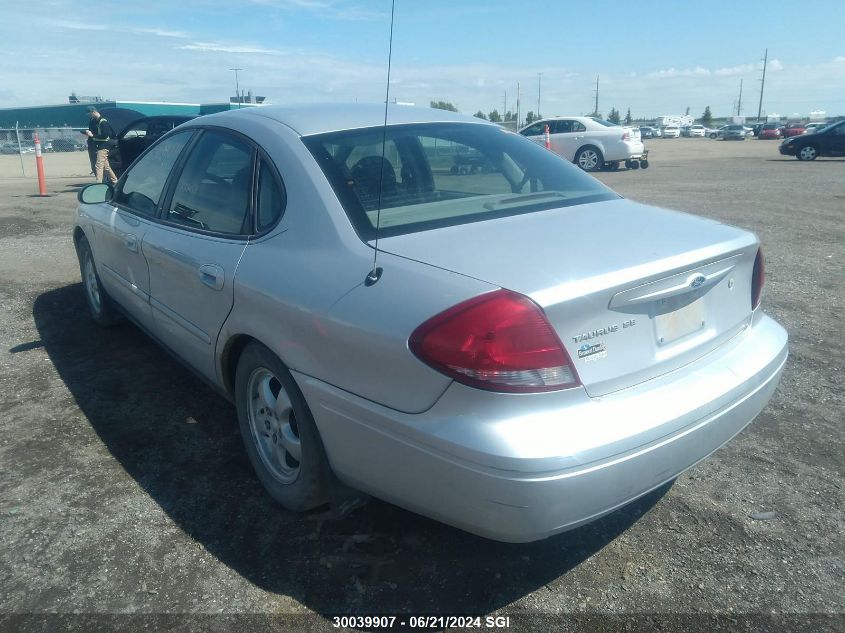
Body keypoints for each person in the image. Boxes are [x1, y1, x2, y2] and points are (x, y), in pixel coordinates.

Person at [84, 106, 118, 185]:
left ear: (93, 112)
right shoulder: (94, 121)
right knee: (106, 167)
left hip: (104, 146)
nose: (89, 116)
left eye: (89, 114)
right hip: (100, 146)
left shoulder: (103, 122)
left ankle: (98, 184)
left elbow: (105, 135)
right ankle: (115, 181)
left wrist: (92, 135)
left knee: (98, 165)